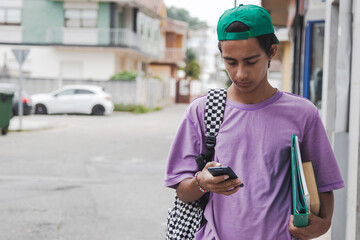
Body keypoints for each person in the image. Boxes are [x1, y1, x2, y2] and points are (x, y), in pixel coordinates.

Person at [164, 4, 344, 240]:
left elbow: (323, 185)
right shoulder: (202, 111)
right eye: (231, 62)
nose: (240, 74)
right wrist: (201, 182)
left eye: (250, 61)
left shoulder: (302, 113)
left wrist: (322, 224)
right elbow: (183, 192)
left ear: (272, 51)